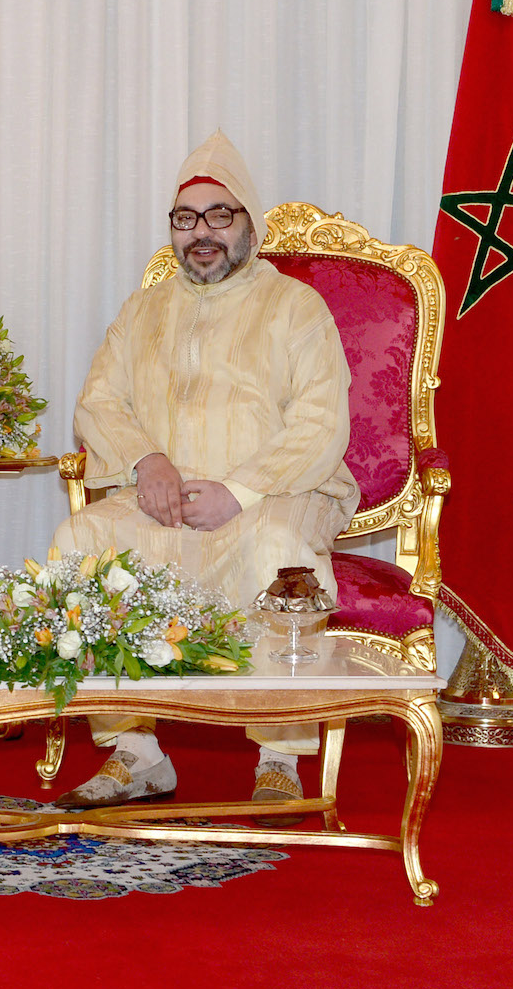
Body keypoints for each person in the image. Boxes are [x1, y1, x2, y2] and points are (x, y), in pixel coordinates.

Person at [50, 132, 358, 813]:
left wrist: (238, 491)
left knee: (277, 553)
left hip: (279, 491)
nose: (202, 234)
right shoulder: (142, 309)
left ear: (250, 223)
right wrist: (146, 462)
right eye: (186, 219)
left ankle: (279, 756)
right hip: (163, 496)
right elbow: (98, 401)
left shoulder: (295, 308)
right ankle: (136, 753)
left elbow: (319, 424)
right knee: (82, 542)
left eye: (220, 216)